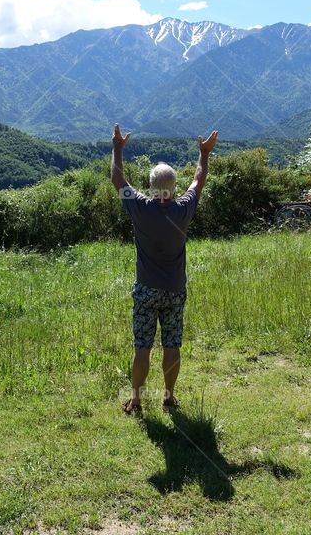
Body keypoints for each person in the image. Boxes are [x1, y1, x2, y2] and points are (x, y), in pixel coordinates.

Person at [110, 123, 219, 415]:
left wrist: (118, 148)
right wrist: (203, 153)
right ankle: (169, 398)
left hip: (145, 290)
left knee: (142, 347)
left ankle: (135, 400)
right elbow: (198, 181)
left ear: (150, 188)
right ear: (172, 189)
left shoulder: (141, 208)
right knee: (172, 345)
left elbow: (117, 178)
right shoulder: (183, 208)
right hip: (174, 290)